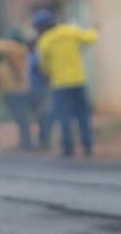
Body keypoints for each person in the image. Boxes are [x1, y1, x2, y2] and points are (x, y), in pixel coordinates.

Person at [33, 10, 98, 157]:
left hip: (60, 84)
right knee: (82, 115)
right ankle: (87, 146)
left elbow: (43, 65)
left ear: (42, 27)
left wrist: (49, 74)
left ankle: (68, 148)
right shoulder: (70, 31)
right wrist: (95, 30)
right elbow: (90, 38)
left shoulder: (45, 41)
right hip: (78, 80)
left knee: (64, 116)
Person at [0, 28, 32, 150]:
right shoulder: (14, 50)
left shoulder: (19, 49)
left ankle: (26, 142)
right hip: (11, 88)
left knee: (21, 117)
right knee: (20, 117)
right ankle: (25, 140)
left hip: (17, 89)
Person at [27, 36, 52, 149]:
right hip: (35, 89)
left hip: (39, 88)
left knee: (42, 115)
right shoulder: (32, 56)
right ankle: (43, 140)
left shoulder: (35, 56)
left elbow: (43, 70)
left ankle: (45, 140)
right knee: (40, 115)